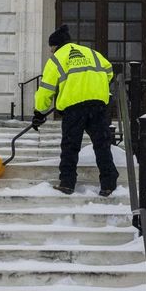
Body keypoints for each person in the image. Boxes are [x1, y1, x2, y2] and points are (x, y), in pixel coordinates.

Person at [33, 25, 118, 197]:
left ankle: (67, 183)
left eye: (51, 48)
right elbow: (110, 72)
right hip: (98, 105)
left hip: (74, 109)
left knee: (70, 147)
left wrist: (39, 113)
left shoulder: (57, 59)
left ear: (56, 45)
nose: (51, 51)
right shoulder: (92, 53)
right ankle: (108, 184)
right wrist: (94, 85)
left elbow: (46, 89)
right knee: (102, 145)